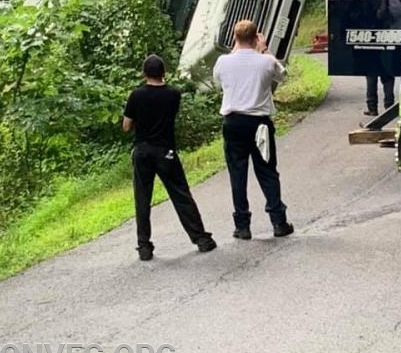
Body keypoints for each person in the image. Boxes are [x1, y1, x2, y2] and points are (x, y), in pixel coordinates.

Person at [123, 54, 216, 261]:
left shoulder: (136, 95)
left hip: (143, 150)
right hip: (165, 150)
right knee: (180, 194)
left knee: (142, 198)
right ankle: (201, 238)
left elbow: (126, 125)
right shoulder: (173, 94)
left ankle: (144, 246)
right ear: (163, 73)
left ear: (144, 73)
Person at [213, 20, 293, 240]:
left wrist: (235, 49)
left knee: (237, 173)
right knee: (267, 171)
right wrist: (265, 49)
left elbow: (219, 82)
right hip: (260, 123)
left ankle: (242, 225)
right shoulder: (266, 61)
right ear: (256, 38)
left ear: (234, 37)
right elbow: (283, 76)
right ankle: (278, 220)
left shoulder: (223, 61)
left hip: (233, 122)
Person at [364, 0, 396, 116]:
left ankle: (372, 108)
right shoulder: (395, 5)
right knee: (388, 77)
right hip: (390, 43)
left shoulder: (372, 5)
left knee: (371, 77)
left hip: (373, 45)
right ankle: (389, 106)